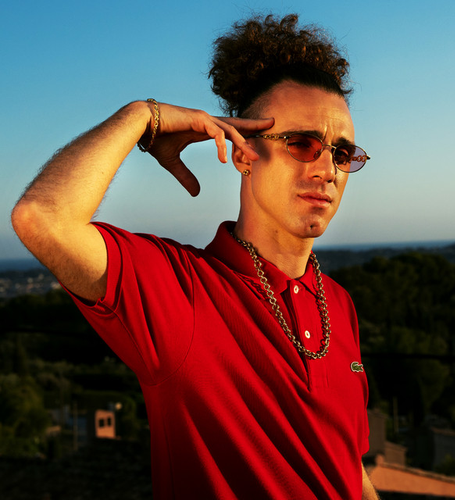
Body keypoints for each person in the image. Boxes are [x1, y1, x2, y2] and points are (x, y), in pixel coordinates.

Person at [12, 13, 377, 500]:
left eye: (342, 153)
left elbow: (348, 467)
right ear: (244, 154)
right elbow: (42, 217)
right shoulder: (180, 292)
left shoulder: (338, 303)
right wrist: (142, 116)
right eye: (302, 144)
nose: (328, 169)